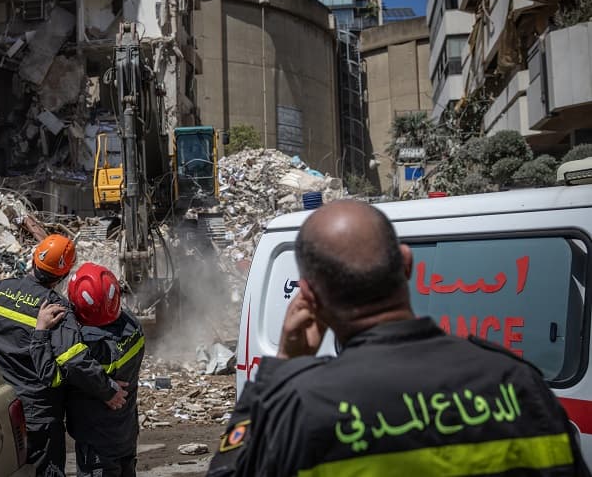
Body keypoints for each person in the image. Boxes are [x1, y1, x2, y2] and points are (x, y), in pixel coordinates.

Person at [208, 200, 590, 477]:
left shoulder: (297, 407)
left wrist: (280, 369)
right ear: (407, 263)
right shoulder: (519, 385)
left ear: (308, 295)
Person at [0, 234, 127, 477]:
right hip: (37, 413)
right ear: (64, 274)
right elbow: (74, 360)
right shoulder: (55, 310)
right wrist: (108, 390)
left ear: (33, 259)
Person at [33, 262, 145, 477]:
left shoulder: (87, 345)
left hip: (97, 442)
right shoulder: (133, 326)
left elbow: (53, 375)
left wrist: (41, 332)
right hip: (126, 432)